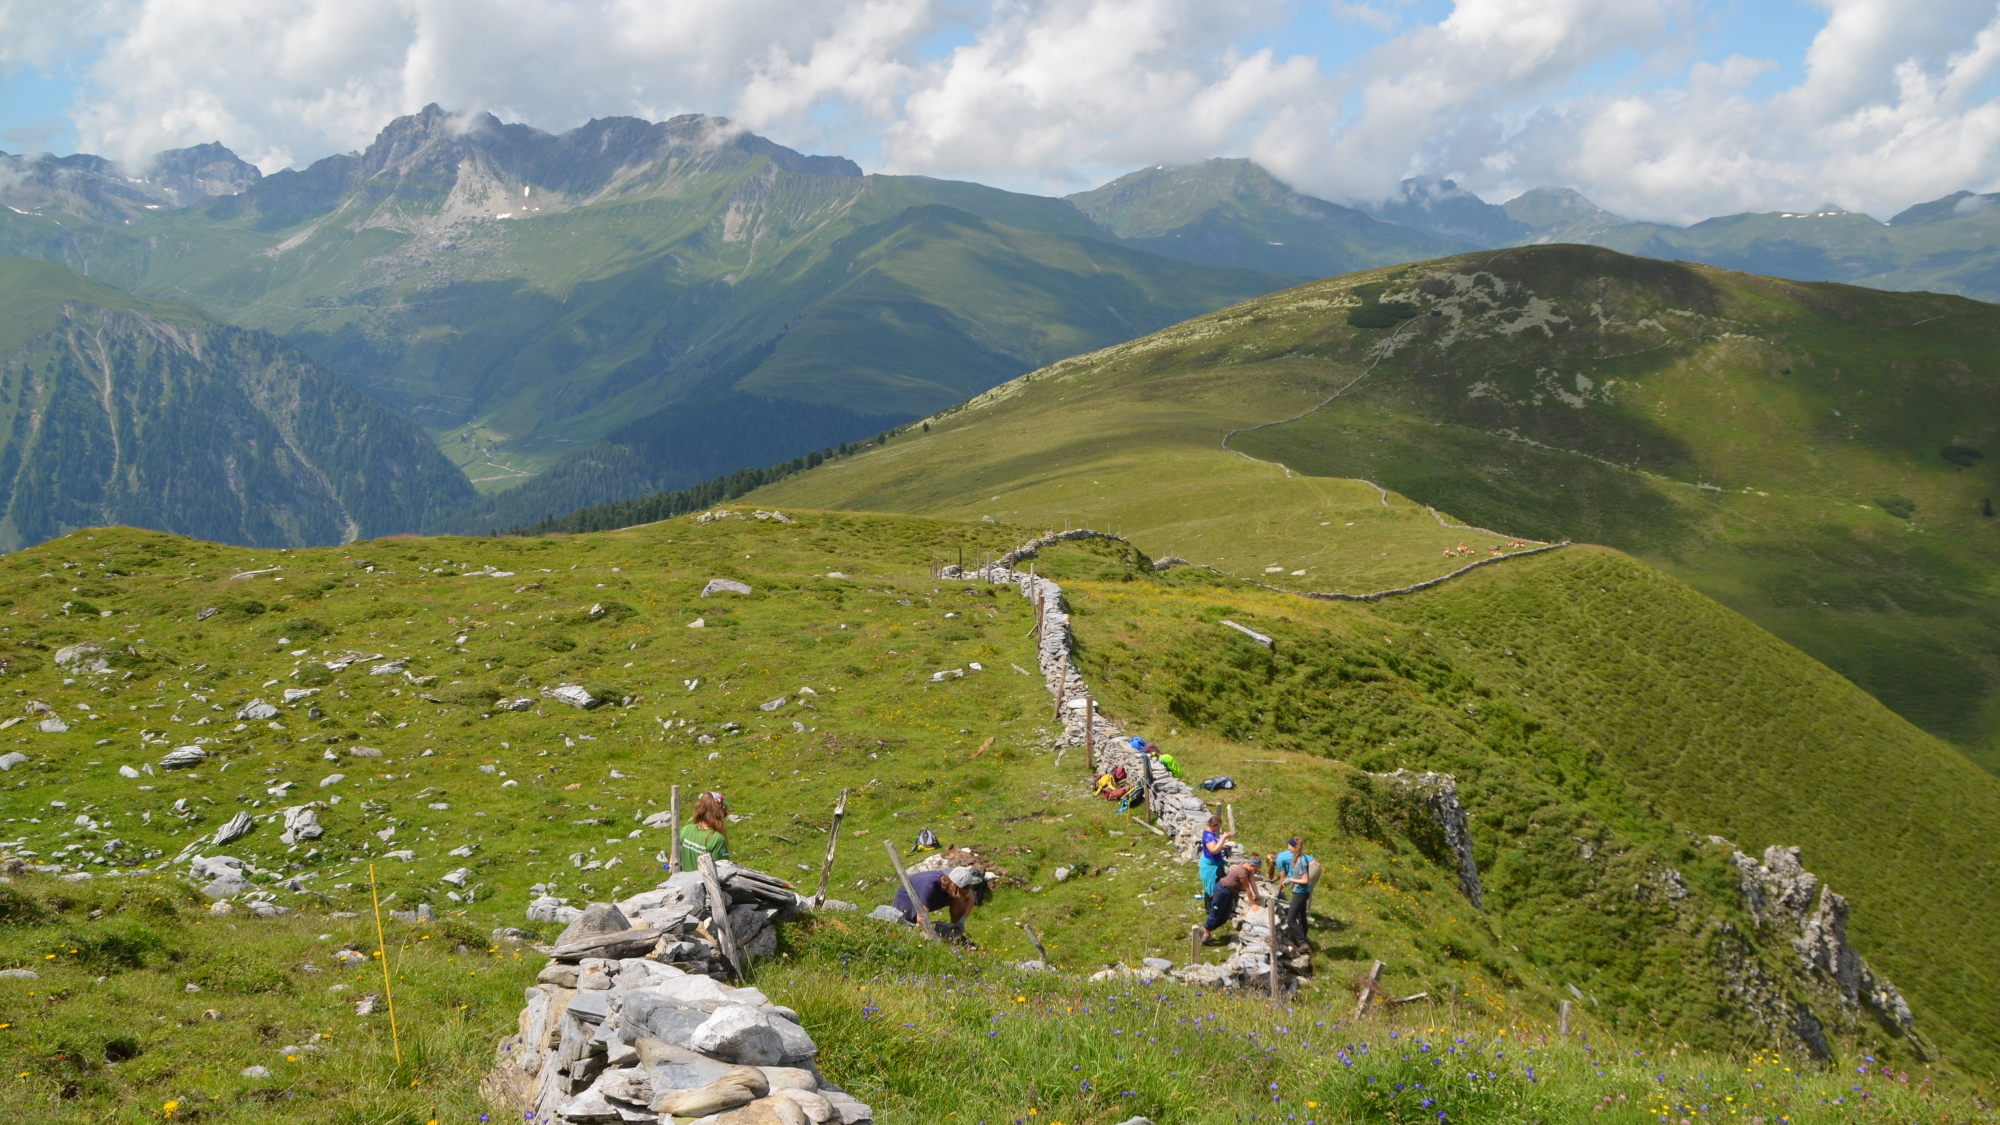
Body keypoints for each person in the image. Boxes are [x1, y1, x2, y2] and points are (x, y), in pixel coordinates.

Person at [893, 865, 985, 927]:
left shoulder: (958, 885)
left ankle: (955, 930)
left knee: (958, 899)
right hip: (907, 903)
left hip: (931, 899)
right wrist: (935, 939)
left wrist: (962, 921)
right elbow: (921, 918)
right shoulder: (929, 886)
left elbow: (971, 899)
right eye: (960, 891)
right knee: (911, 927)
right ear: (953, 885)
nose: (962, 894)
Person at [1201, 855, 1261, 941]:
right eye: (1255, 869)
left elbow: (1252, 882)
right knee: (1216, 913)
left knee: (1225, 916)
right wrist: (1253, 904)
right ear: (1251, 865)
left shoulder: (1247, 866)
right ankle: (1206, 932)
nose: (1255, 871)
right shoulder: (1242, 872)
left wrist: (1258, 895)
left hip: (1230, 892)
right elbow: (1248, 889)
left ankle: (1207, 929)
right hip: (1222, 890)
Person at [1274, 837, 1319, 945]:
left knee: (1291, 920)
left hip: (1301, 893)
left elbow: (1305, 880)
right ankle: (1304, 938)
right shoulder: (1299, 857)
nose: (1288, 847)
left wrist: (1290, 880)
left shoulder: (1300, 861)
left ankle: (1302, 941)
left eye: (1289, 845)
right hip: (1301, 892)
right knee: (1301, 916)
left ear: (1294, 847)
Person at [679, 791, 730, 872]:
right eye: (724, 814)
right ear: (718, 815)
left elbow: (673, 862)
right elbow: (722, 871)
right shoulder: (718, 839)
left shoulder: (685, 830)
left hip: (684, 883)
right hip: (704, 884)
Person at [1198, 814, 1232, 907]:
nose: (1219, 829)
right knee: (1213, 885)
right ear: (1214, 825)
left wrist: (1223, 846)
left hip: (1215, 863)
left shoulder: (1210, 833)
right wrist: (1223, 838)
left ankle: (1213, 907)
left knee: (1214, 885)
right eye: (1218, 827)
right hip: (1212, 866)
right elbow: (1213, 850)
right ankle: (1211, 908)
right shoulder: (1208, 836)